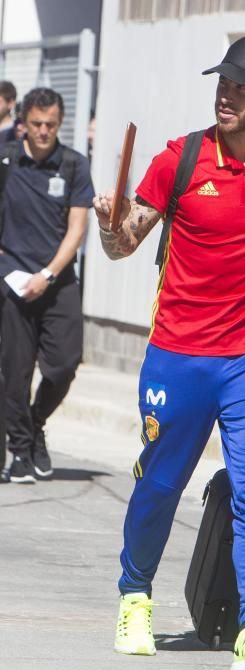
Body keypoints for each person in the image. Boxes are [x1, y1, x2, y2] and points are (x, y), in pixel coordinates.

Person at [93, 36, 245, 670]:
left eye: (242, 88)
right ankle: (135, 595)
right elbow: (124, 243)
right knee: (163, 482)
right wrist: (110, 227)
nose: (227, 96)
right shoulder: (181, 158)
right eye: (222, 84)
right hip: (179, 353)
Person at [0, 87, 95, 484]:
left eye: (51, 125)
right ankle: (20, 449)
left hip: (57, 281)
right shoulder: (6, 160)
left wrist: (48, 275)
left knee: (63, 366)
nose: (43, 131)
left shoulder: (73, 165)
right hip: (11, 281)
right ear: (23, 121)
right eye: (37, 124)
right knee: (15, 373)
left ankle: (36, 424)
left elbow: (77, 228)